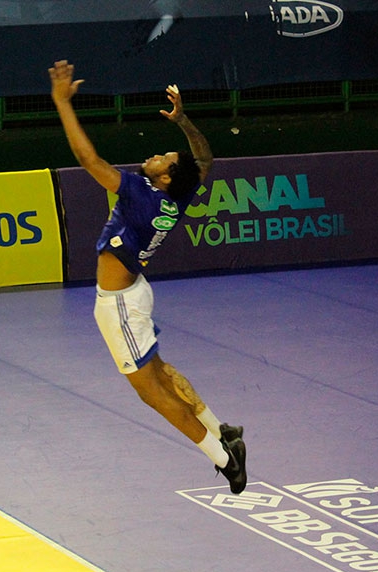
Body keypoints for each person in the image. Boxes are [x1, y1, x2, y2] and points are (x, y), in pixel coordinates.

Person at [49, 59, 247, 493]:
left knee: (151, 393)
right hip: (135, 291)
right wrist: (184, 122)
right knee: (159, 372)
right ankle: (221, 431)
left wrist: (62, 103)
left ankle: (223, 457)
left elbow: (87, 157)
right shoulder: (177, 193)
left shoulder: (142, 193)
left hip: (120, 303)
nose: (156, 154)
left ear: (164, 177)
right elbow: (204, 158)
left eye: (164, 157)